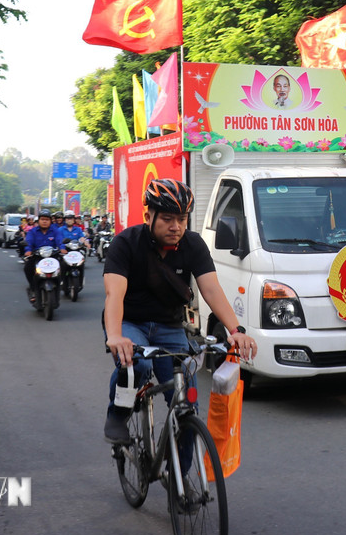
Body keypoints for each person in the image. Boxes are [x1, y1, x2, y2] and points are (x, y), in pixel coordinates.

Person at [103, 178, 257, 444]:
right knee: (136, 364)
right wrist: (115, 336)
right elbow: (114, 293)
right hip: (130, 323)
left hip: (169, 326)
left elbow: (211, 290)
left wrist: (236, 330)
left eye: (182, 219)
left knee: (186, 404)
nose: (176, 227)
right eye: (167, 219)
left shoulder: (193, 244)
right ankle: (118, 412)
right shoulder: (125, 243)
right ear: (148, 216)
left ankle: (181, 480)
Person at [23, 209, 64, 303]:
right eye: (42, 219)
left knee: (63, 265)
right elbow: (29, 242)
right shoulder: (33, 232)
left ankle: (59, 285)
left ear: (50, 221)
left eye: (47, 219)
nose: (44, 221)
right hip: (37, 257)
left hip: (52, 257)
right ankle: (33, 289)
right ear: (39, 221)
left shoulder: (55, 231)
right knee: (27, 268)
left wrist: (62, 248)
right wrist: (28, 250)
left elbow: (59, 241)